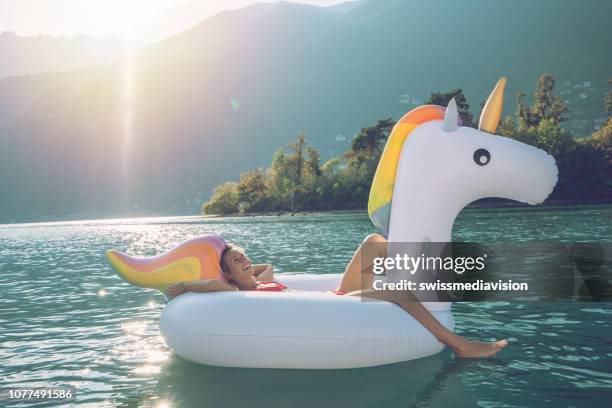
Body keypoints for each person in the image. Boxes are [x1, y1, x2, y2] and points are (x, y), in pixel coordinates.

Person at [167, 234, 508, 358]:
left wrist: (246, 269)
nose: (245, 262)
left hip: (338, 295)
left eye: (244, 257)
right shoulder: (231, 292)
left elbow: (266, 266)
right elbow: (211, 286)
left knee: (374, 241)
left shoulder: (260, 282)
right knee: (399, 291)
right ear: (226, 274)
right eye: (236, 262)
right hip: (340, 306)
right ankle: (460, 345)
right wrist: (184, 286)